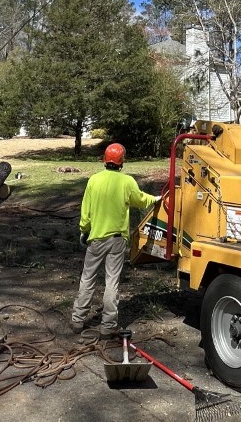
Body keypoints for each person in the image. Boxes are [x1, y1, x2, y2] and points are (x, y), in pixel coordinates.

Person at [71, 143, 161, 338]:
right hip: (117, 240)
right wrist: (154, 199)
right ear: (122, 161)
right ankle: (108, 326)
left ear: (104, 160)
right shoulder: (127, 181)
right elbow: (140, 199)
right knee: (111, 281)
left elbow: (85, 211)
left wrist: (84, 231)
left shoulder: (94, 180)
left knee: (88, 278)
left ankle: (78, 320)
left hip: (96, 238)